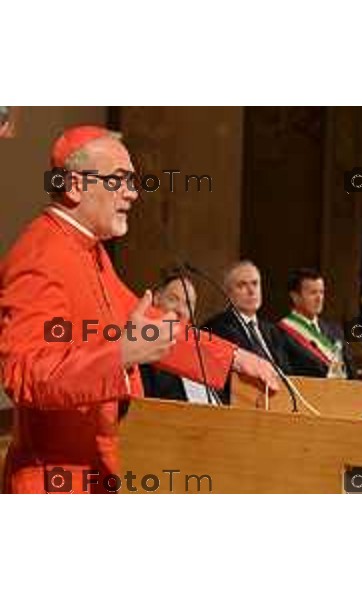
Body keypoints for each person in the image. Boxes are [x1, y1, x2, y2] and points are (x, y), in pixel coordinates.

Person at [0, 125, 279, 494]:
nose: (132, 193)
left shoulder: (89, 250)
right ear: (75, 186)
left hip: (98, 468)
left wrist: (235, 359)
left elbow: (151, 326)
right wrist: (120, 354)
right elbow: (24, 374)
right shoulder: (39, 255)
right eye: (120, 180)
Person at [202, 261, 290, 401]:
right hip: (241, 403)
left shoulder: (274, 331)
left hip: (279, 402)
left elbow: (289, 375)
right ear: (228, 293)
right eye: (242, 285)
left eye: (255, 284)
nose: (251, 291)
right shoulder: (215, 328)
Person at [140, 269, 213, 403]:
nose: (180, 310)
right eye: (173, 299)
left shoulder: (200, 355)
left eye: (188, 304)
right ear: (156, 299)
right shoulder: (142, 346)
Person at [278, 268, 353, 378]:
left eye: (321, 292)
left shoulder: (335, 330)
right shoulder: (281, 333)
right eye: (313, 293)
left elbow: (351, 371)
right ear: (295, 297)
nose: (319, 298)